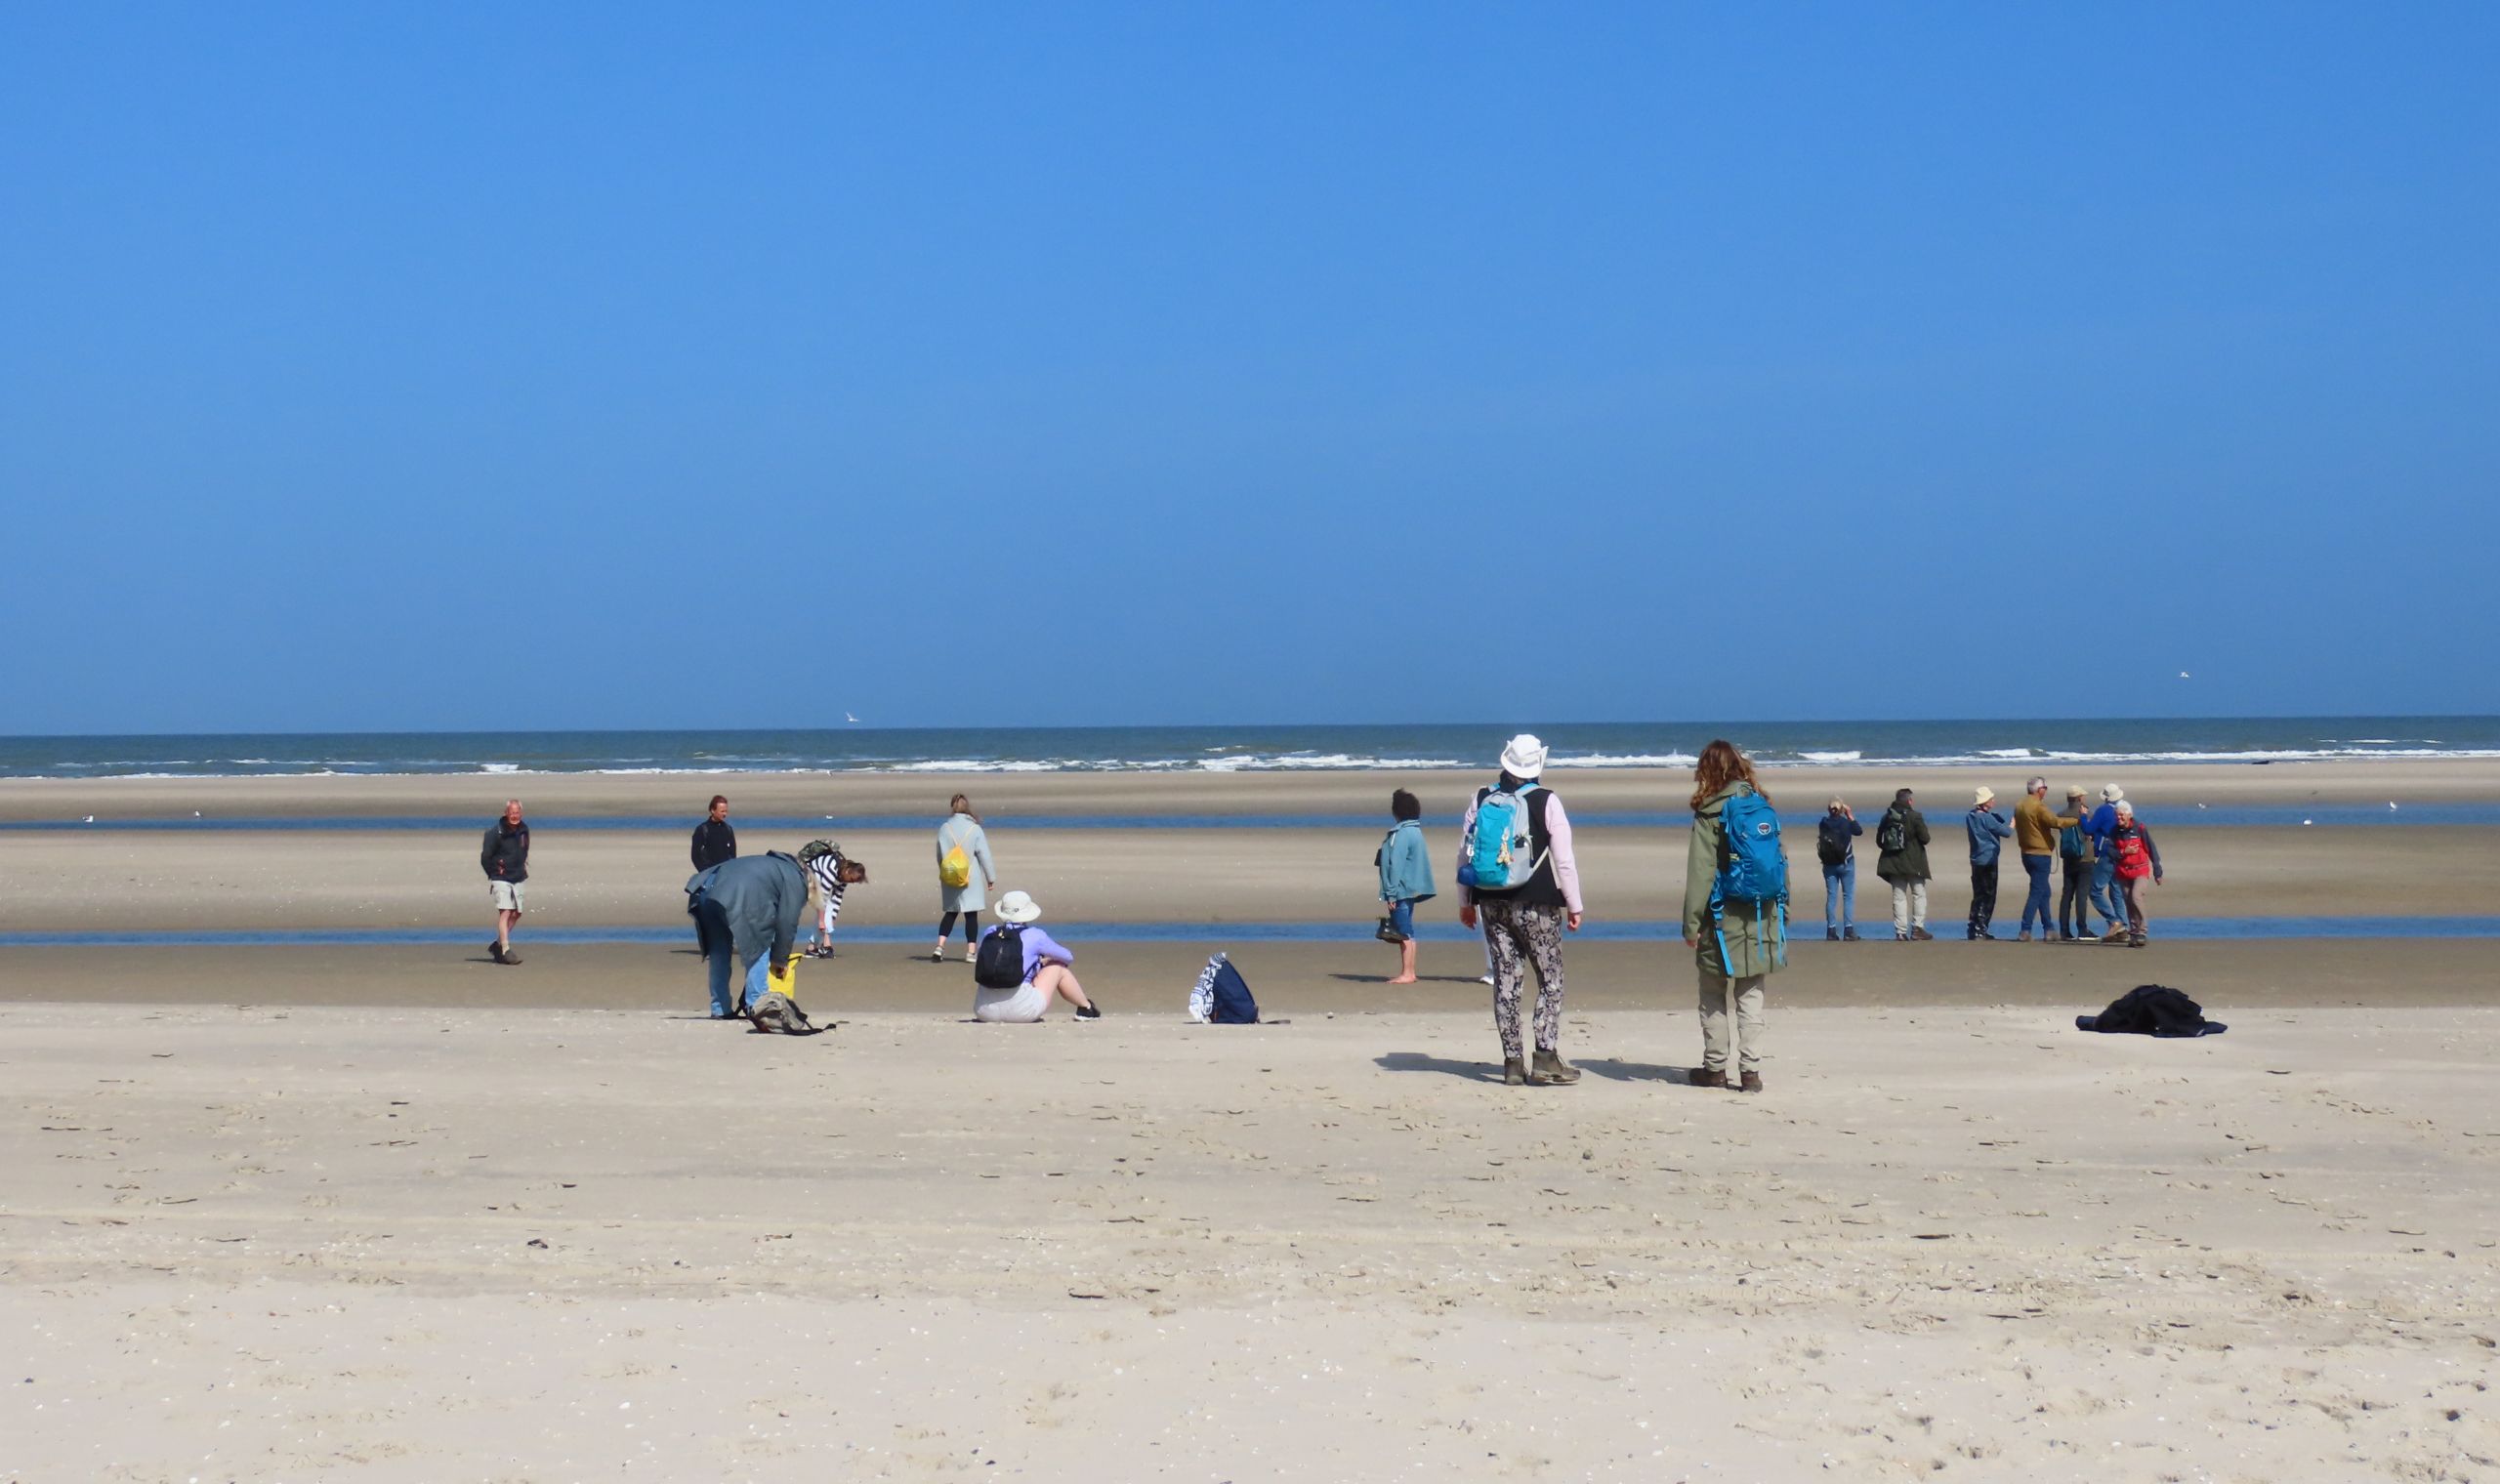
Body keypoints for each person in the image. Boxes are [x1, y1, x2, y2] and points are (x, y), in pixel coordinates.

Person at [1455, 734, 1585, 1087]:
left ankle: (1512, 1062)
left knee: (1506, 981)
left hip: (1491, 902)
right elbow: (1564, 860)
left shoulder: (1482, 797)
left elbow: (1465, 853)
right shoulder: (1547, 801)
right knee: (1551, 979)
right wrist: (1574, 904)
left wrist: (1465, 901)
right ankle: (1545, 1056)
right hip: (1538, 904)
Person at [1681, 741, 1786, 1092]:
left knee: (1712, 993)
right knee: (1751, 994)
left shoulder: (1711, 812)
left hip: (1719, 916)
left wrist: (1691, 923)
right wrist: (1783, 911)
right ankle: (1751, 1072)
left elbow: (1700, 871)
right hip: (1762, 912)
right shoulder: (1760, 805)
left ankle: (1714, 1068)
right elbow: (1779, 862)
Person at [684, 840, 827, 1032]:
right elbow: (787, 922)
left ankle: (720, 1009)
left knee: (719, 951)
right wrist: (779, 960)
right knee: (759, 946)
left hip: (704, 893)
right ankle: (756, 1006)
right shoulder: (795, 878)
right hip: (734, 894)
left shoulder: (770, 865)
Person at [971, 890, 1101, 1022]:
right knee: (1058, 967)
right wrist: (1045, 960)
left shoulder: (990, 932)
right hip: (1021, 1011)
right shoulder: (1035, 935)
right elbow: (1068, 957)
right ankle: (1086, 1007)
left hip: (984, 1011)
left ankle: (1085, 1007)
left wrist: (1036, 961)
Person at [1375, 789, 1436, 984]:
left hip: (1401, 890)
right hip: (1408, 888)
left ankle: (1408, 972)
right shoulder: (1415, 831)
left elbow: (1396, 863)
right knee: (1406, 930)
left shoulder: (1401, 834)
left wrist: (1390, 894)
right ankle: (1409, 971)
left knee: (1403, 931)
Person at [932, 795, 997, 963]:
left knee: (950, 913)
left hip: (950, 874)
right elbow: (984, 855)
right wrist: (991, 877)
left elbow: (940, 855)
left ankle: (939, 947)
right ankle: (970, 952)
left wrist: (944, 872)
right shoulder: (974, 828)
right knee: (971, 915)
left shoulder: (945, 827)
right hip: (971, 876)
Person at [2012, 776, 2074, 942]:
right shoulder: (2038, 807)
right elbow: (2055, 821)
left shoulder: (2019, 805)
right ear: (2040, 790)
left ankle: (2049, 928)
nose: (2046, 790)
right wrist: (2077, 821)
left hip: (2027, 853)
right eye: (2045, 787)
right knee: (2037, 891)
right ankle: (2025, 929)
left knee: (2044, 892)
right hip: (2039, 854)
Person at [1874, 788, 1933, 940]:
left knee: (1898, 897)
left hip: (1893, 862)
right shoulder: (1915, 816)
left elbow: (1879, 841)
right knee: (1918, 894)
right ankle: (1917, 929)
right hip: (1914, 861)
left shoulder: (1887, 817)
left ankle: (1900, 932)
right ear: (1909, 801)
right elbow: (1925, 838)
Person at [2105, 801, 2164, 947]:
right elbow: (2110, 851)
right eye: (2117, 815)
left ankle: (2142, 931)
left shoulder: (2139, 828)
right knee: (2128, 902)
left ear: (2129, 815)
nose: (2119, 818)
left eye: (2122, 815)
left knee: (2136, 896)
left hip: (2140, 869)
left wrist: (2157, 871)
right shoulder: (2113, 831)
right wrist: (2123, 852)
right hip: (2123, 871)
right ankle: (2134, 932)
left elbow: (2151, 848)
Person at [480, 799, 529, 966]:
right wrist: (494, 873)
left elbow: (524, 849)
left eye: (517, 812)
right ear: (506, 813)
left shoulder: (524, 830)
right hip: (500, 877)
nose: (514, 815)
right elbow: (485, 857)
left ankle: (498, 945)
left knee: (517, 913)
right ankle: (506, 950)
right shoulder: (496, 833)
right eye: (512, 812)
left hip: (518, 876)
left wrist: (522, 867)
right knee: (506, 912)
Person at [1965, 786, 2013, 940]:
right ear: (1985, 802)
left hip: (1976, 860)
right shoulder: (1986, 818)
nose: (1994, 801)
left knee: (1978, 894)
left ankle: (1973, 927)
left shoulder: (1971, 816)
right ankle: (1981, 928)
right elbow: (2006, 832)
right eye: (1991, 799)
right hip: (1988, 859)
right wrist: (2013, 823)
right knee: (1988, 894)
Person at [2085, 784, 2131, 940]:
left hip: (2107, 854)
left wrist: (2083, 816)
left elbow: (2089, 829)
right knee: (2116, 891)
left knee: (2095, 890)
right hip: (2121, 854)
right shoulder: (2123, 810)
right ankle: (2123, 927)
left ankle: (2114, 921)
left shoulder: (2104, 810)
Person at [807, 846, 868, 958]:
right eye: (852, 879)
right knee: (826, 910)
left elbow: (837, 898)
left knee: (829, 911)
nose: (852, 882)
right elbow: (822, 899)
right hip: (806, 878)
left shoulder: (844, 877)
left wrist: (832, 920)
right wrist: (822, 922)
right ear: (848, 871)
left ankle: (813, 947)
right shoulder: (831, 869)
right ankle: (825, 944)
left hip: (818, 885)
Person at [1814, 797, 1862, 940]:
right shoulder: (1846, 823)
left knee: (1832, 897)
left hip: (1829, 864)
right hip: (1846, 864)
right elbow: (1858, 831)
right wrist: (1849, 814)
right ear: (1841, 810)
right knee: (1848, 896)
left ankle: (1831, 930)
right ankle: (1848, 930)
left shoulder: (1823, 823)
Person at [2056, 785, 2097, 943]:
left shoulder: (2061, 814)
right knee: (2081, 894)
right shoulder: (2087, 813)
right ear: (2079, 798)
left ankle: (2064, 930)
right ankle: (2082, 928)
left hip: (2068, 858)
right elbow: (2092, 830)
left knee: (2067, 895)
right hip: (2085, 858)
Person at [690, 795, 737, 872]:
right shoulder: (702, 830)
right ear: (712, 810)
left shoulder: (728, 829)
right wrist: (704, 872)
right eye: (722, 811)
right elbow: (695, 855)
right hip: (709, 873)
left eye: (726, 811)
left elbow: (733, 854)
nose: (724, 814)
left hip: (725, 872)